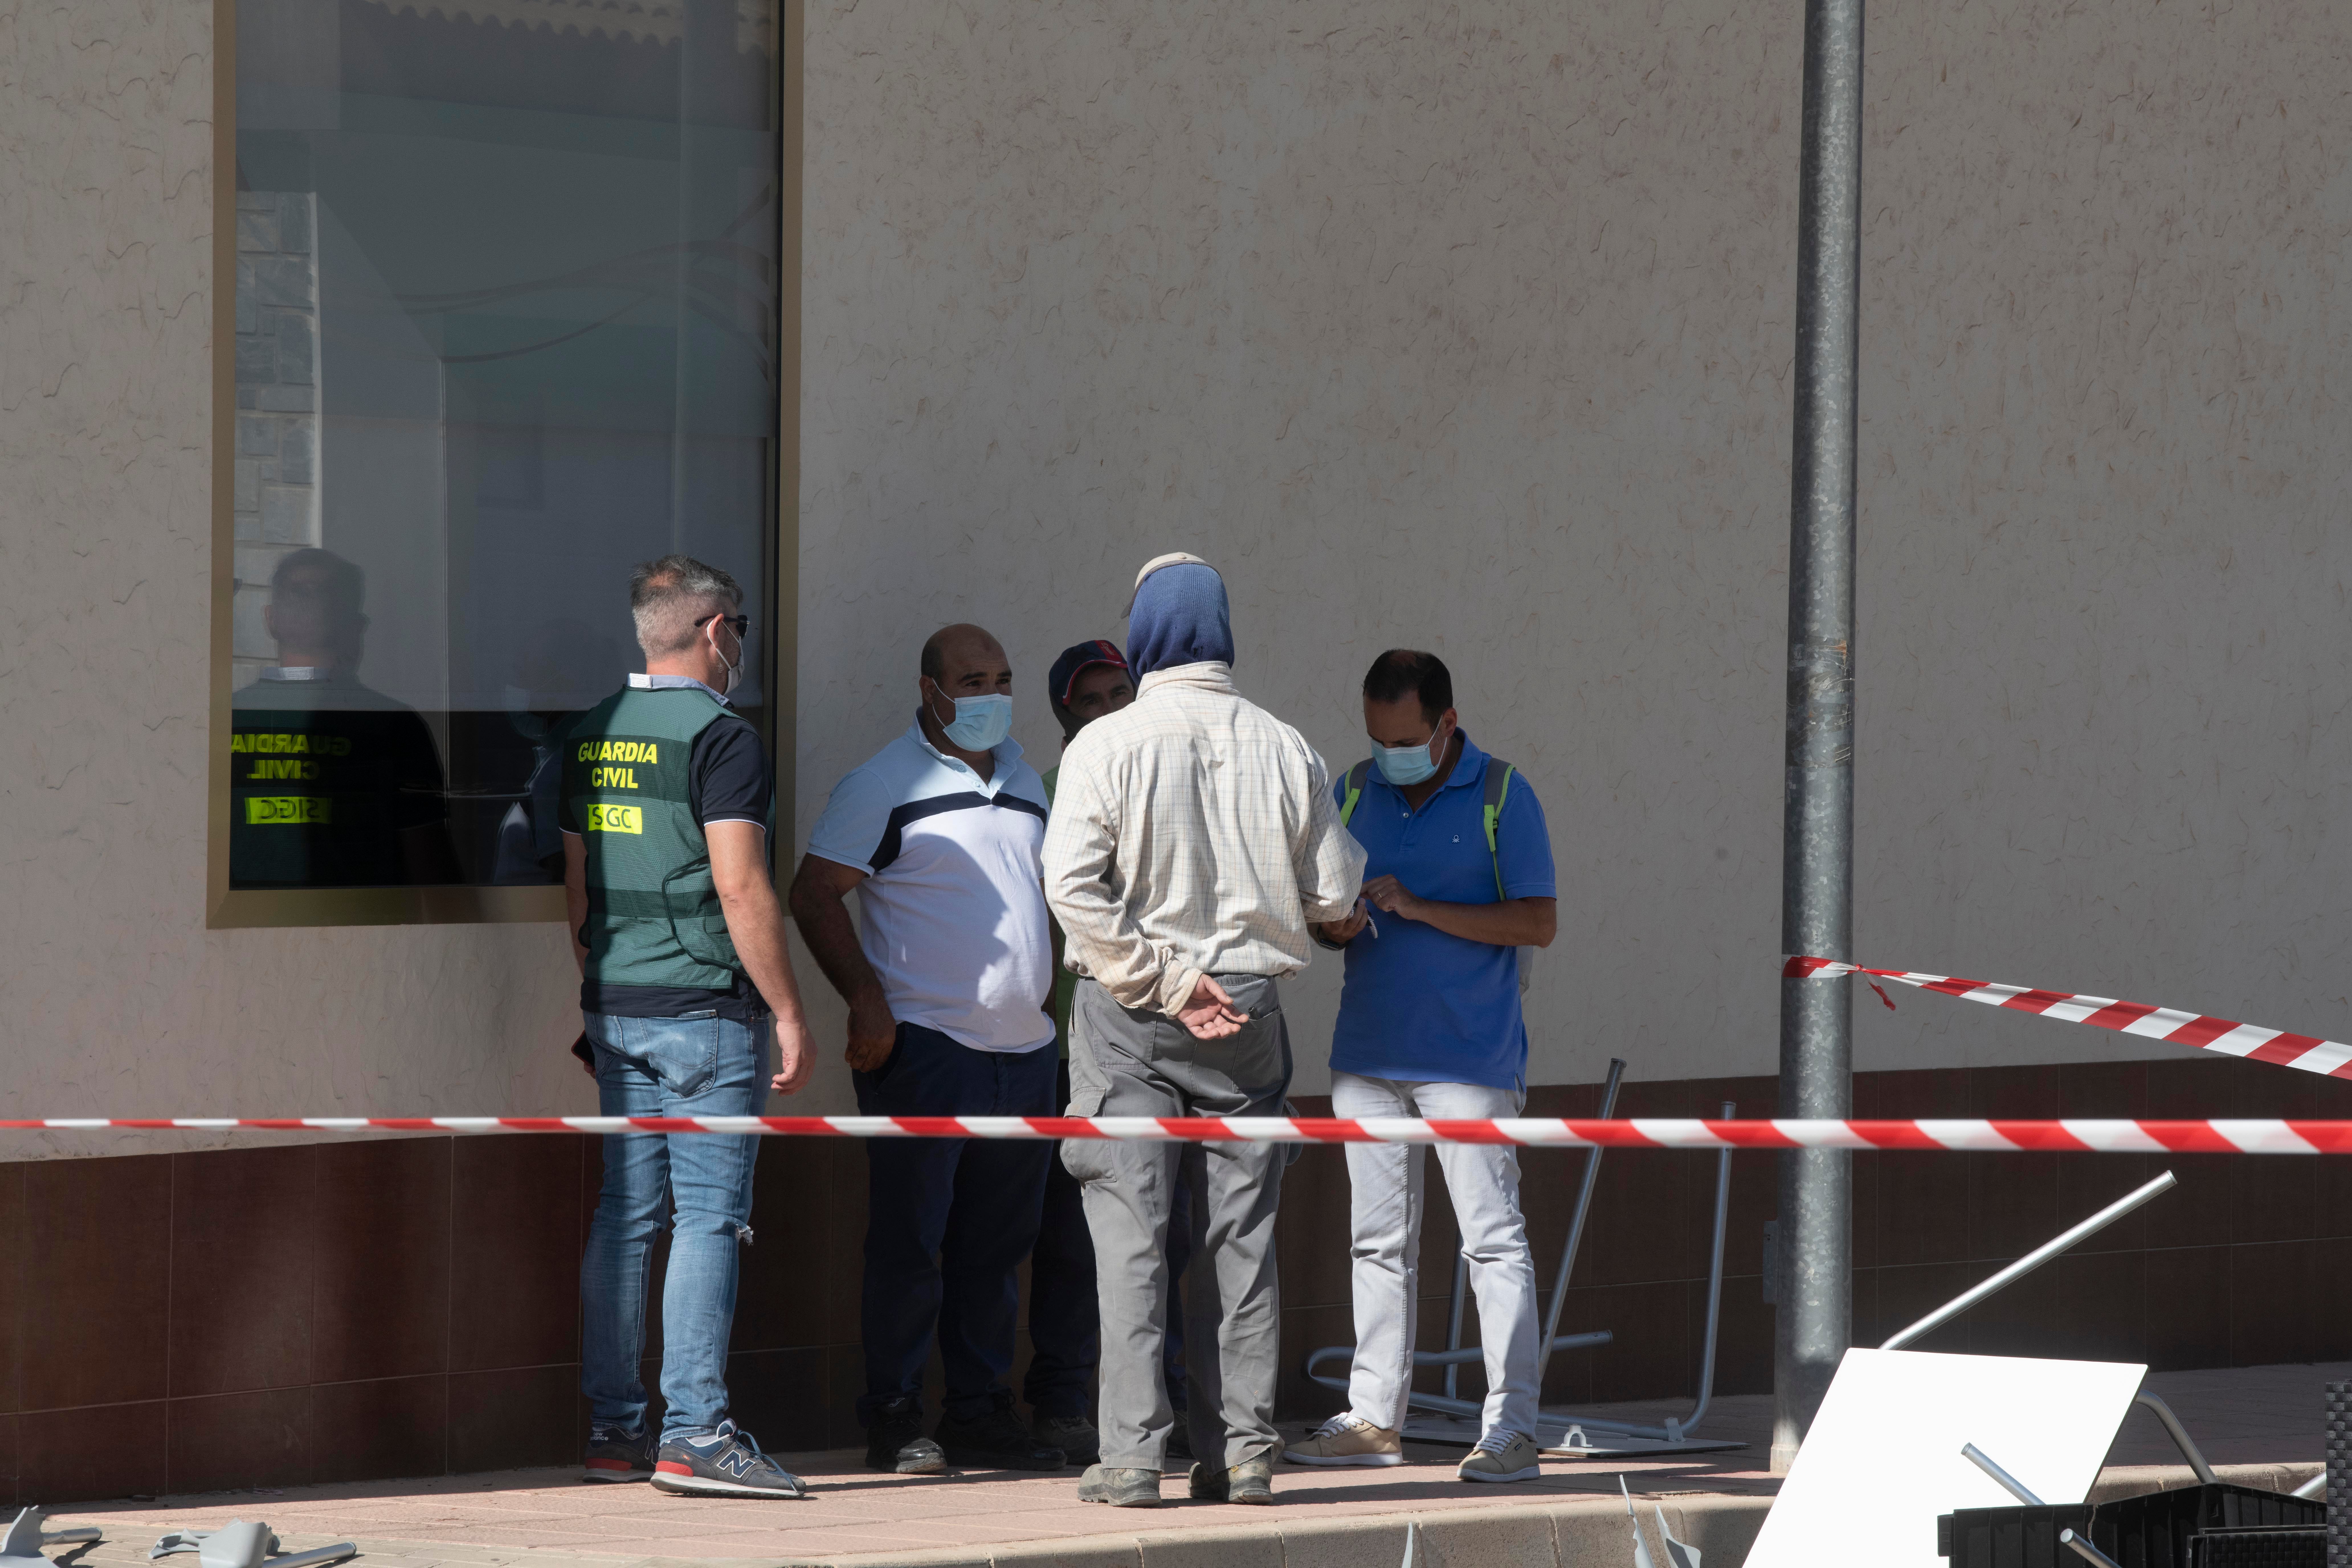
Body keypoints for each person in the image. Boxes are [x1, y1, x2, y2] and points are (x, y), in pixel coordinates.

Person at [1043, 553, 1366, 1509]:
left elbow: (1070, 888)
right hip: (1249, 1013)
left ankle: (1133, 1458)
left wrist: (1161, 979)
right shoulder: (1284, 743)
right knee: (1242, 1241)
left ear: (1141, 635)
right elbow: (1336, 892)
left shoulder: (1103, 744)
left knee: (1131, 1238)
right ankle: (1244, 1455)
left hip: (1129, 1014)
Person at [787, 624, 1066, 1477]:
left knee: (995, 1245)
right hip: (927, 1049)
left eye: (1003, 678)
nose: (990, 694)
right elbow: (814, 892)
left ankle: (979, 1409)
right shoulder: (885, 782)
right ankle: (897, 1413)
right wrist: (867, 1000)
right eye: (972, 679)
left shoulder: (1028, 781)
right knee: (912, 1241)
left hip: (1024, 1054)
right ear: (931, 689)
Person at [566, 554, 817, 1499]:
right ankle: (696, 1430)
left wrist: (603, 985)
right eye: (740, 629)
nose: (740, 646)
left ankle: (611, 1428)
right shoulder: (722, 738)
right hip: (706, 1012)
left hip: (617, 1003)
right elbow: (740, 883)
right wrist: (789, 1010)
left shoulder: (592, 733)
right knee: (709, 1217)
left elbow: (579, 888)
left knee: (625, 1215)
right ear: (716, 631)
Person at [1280, 650, 1559, 1484]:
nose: (1388, 753)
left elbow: (1538, 922)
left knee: (1493, 1242)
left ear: (1446, 722)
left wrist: (1419, 906)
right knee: (1377, 1243)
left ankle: (1512, 1429)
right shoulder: (1355, 789)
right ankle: (1374, 1418)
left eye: (1405, 738)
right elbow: (1319, 905)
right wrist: (1332, 923)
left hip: (1468, 1060)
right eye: (1375, 736)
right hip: (1367, 1054)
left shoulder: (1504, 792)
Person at [1024, 639, 1198, 1469]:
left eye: (1117, 691)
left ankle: (1171, 1406)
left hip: (1186, 1050)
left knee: (1178, 1238)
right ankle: (1064, 1401)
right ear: (1065, 714)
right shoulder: (1055, 794)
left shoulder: (1178, 783)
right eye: (1089, 698)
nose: (1107, 708)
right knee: (1078, 1240)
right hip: (1089, 1049)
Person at [228, 548, 460, 888]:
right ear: (355, 626)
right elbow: (431, 869)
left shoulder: (225, 720)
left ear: (270, 619)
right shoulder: (394, 725)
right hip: (365, 926)